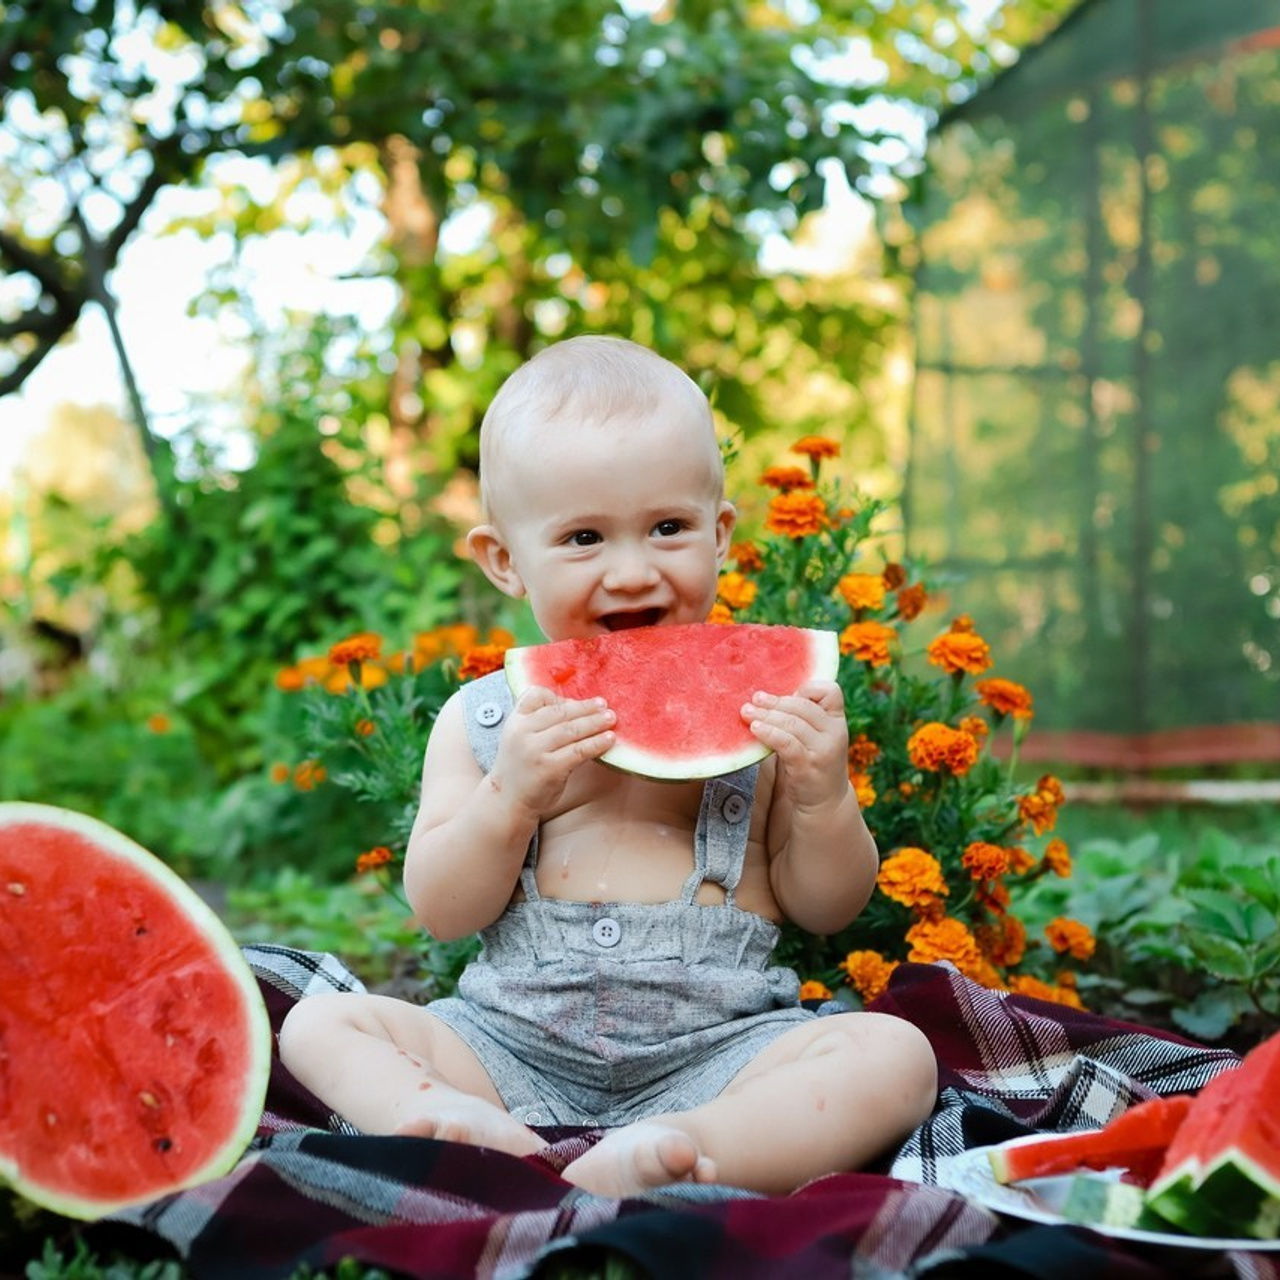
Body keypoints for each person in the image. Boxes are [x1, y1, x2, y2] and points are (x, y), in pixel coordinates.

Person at [279, 335, 937, 1198]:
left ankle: (694, 1146)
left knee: (897, 1056)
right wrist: (509, 797)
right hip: (505, 1047)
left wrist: (821, 794)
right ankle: (456, 1123)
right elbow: (442, 909)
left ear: (721, 533)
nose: (632, 572)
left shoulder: (764, 721)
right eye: (584, 538)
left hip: (725, 1055)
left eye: (668, 528)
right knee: (320, 1024)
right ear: (506, 560)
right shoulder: (480, 720)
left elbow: (827, 906)